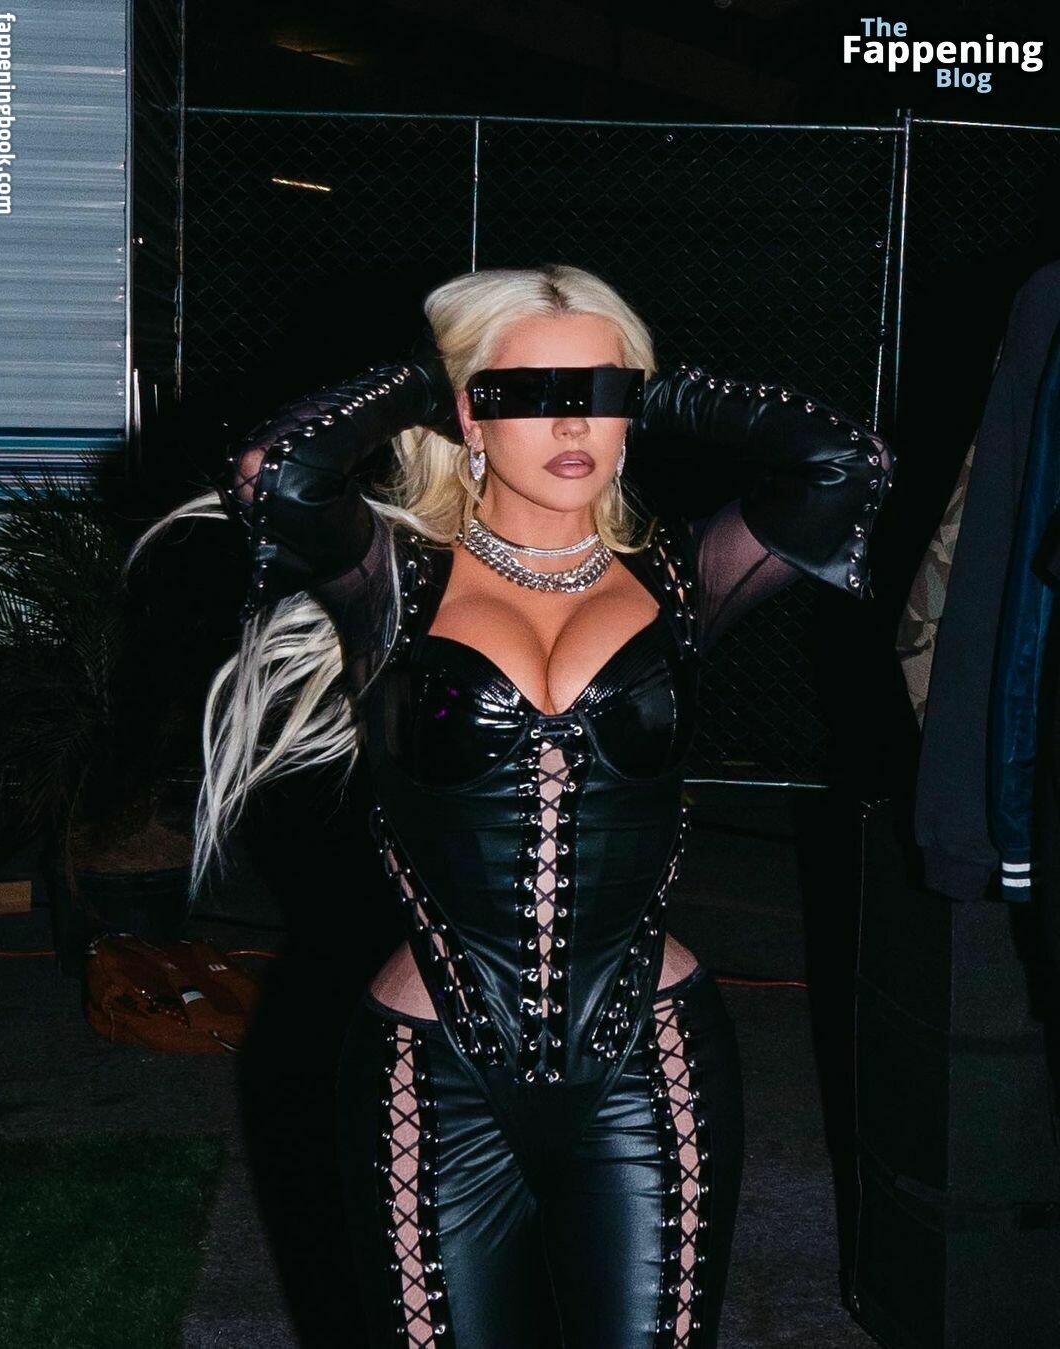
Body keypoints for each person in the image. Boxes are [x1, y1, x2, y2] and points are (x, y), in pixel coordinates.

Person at [132, 263, 893, 1346]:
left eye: (601, 391)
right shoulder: (390, 577)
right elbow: (275, 473)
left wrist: (662, 389)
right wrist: (429, 379)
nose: (573, 422)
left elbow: (847, 463)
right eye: (530, 393)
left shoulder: (681, 577)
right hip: (432, 1073)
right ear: (470, 415)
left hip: (652, 1061)